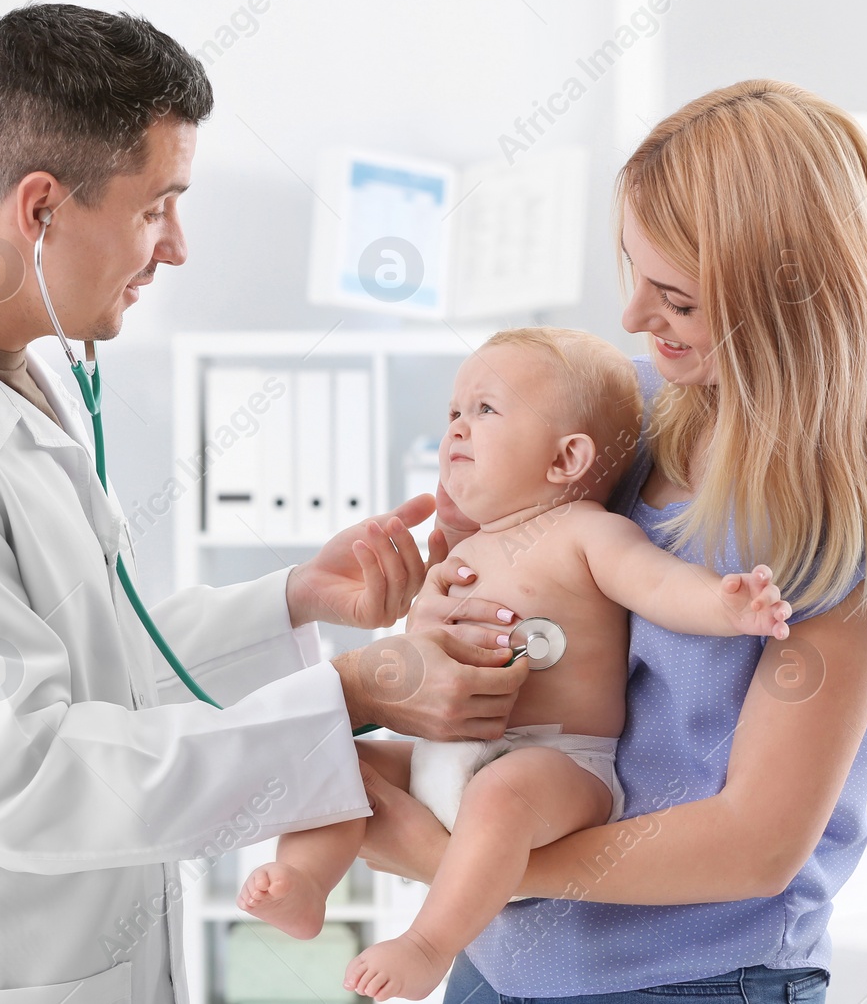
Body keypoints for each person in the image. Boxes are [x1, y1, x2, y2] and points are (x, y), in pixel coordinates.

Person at [0, 3, 528, 1003]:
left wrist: (295, 597)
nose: (177, 246)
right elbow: (27, 771)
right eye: (157, 205)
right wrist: (355, 693)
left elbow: (88, 661)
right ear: (39, 212)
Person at [354, 80, 867, 1003]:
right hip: (496, 961)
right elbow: (475, 558)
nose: (634, 317)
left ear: (788, 305)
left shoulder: (840, 536)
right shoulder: (620, 417)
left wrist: (476, 862)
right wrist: (442, 609)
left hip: (689, 981)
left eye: (675, 299)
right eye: (632, 273)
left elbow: (755, 844)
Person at [235, 327, 792, 1001]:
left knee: (501, 799)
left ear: (566, 458)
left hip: (557, 763)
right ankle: (304, 882)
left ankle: (428, 941)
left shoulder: (587, 531)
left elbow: (658, 584)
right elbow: (425, 664)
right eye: (453, 413)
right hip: (443, 760)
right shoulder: (464, 549)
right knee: (324, 756)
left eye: (485, 410)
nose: (457, 430)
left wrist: (727, 604)